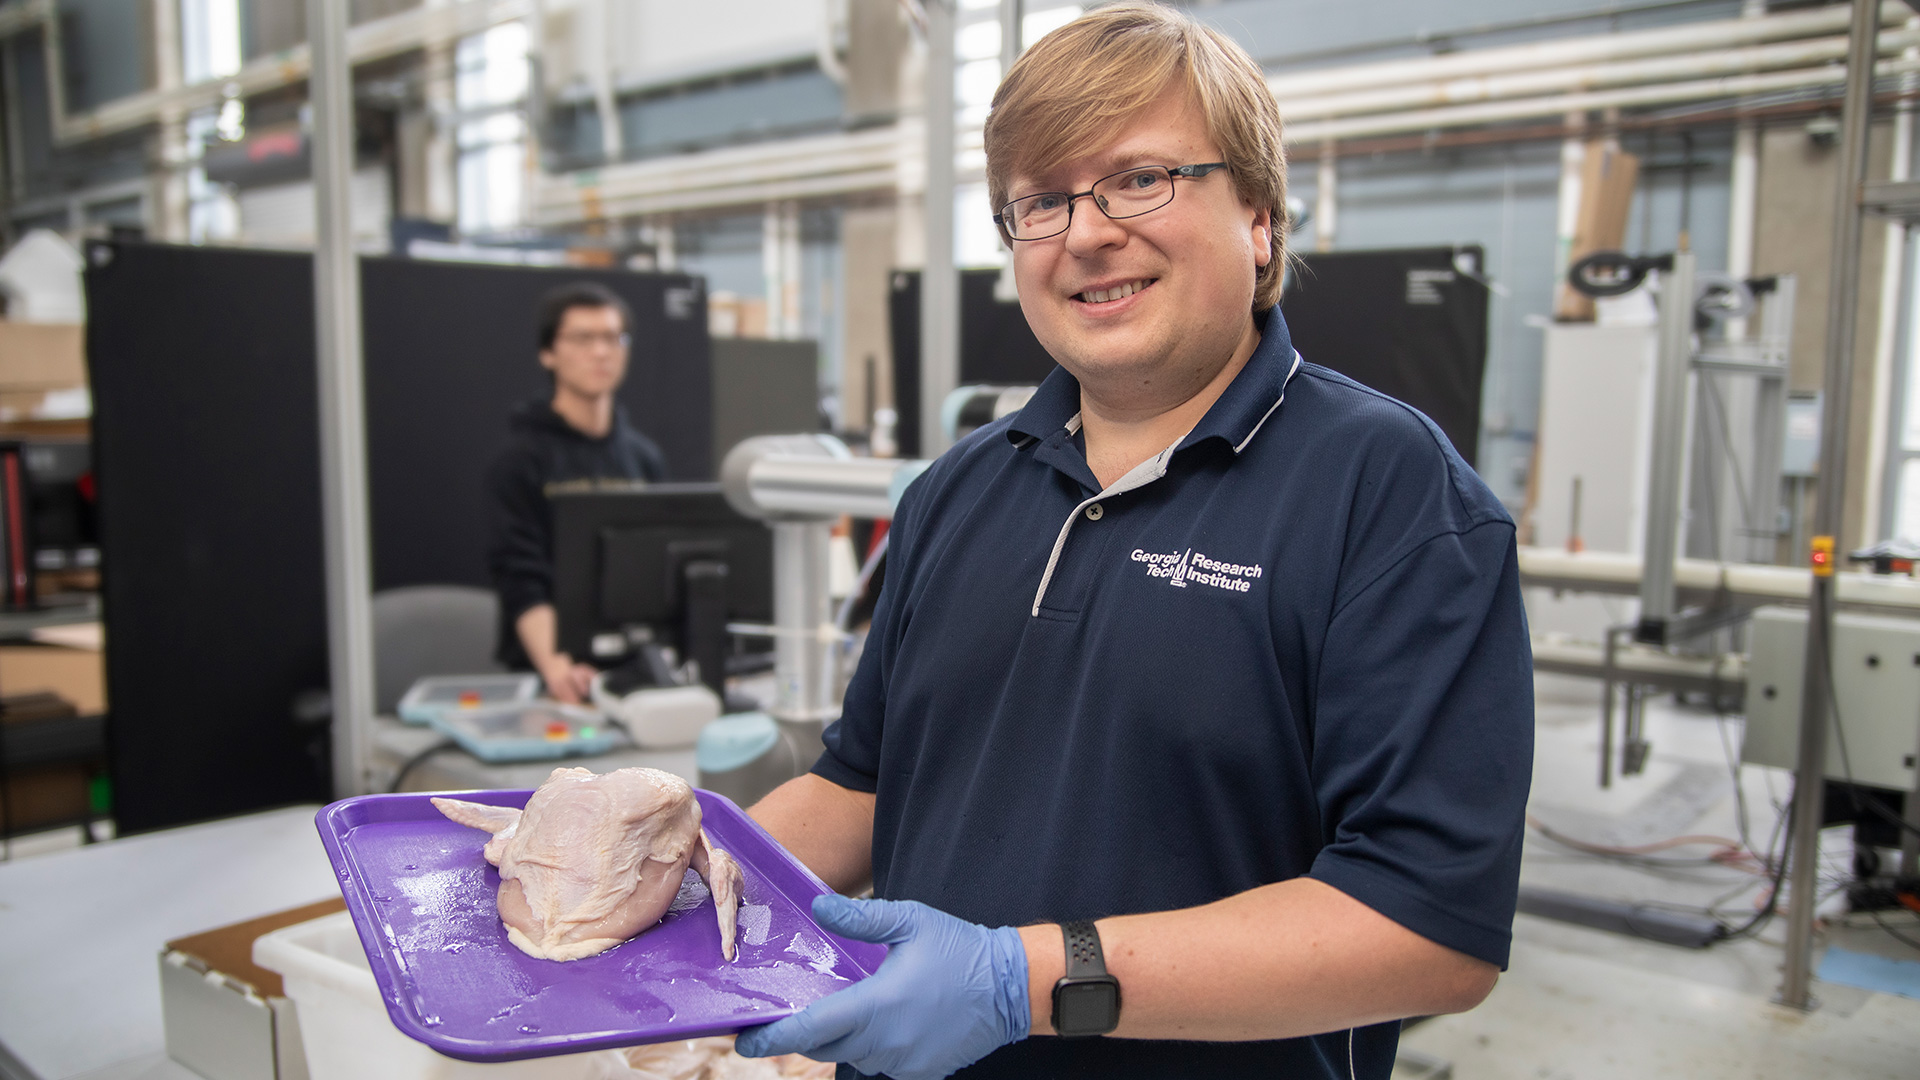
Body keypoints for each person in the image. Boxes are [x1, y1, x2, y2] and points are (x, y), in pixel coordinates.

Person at [734, 6, 1534, 1080]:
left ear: (1259, 216)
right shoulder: (956, 490)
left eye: (1141, 179)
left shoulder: (1391, 494)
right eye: (1043, 201)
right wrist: (699, 869)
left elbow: (1427, 929)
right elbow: (865, 783)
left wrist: (1020, 982)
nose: (1088, 232)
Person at [486, 281, 668, 703]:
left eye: (612, 337)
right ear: (548, 352)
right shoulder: (519, 461)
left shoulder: (643, 458)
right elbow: (519, 575)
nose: (601, 351)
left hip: (630, 673)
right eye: (583, 338)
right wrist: (557, 666)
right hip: (548, 678)